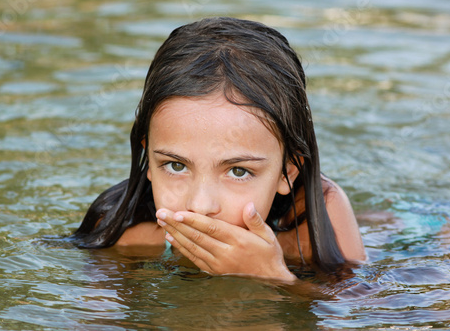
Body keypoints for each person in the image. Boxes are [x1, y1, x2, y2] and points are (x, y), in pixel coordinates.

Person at [70, 17, 366, 282]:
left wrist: (271, 275)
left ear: (287, 169)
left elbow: (351, 311)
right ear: (149, 161)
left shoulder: (313, 222)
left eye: (238, 171)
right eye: (176, 165)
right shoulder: (122, 230)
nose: (200, 205)